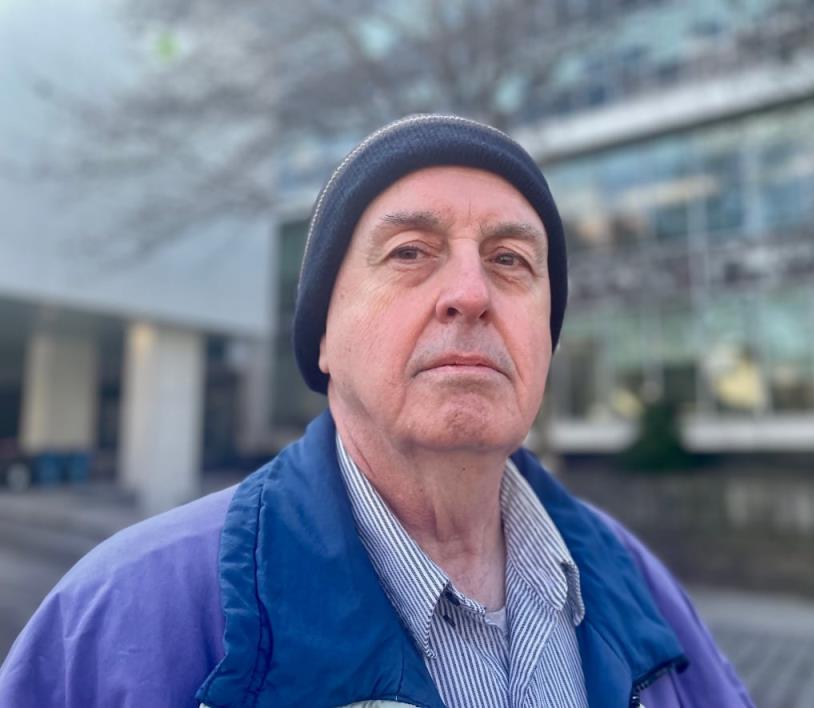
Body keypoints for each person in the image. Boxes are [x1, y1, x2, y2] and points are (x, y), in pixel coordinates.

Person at [0, 115, 753, 707]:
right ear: (323, 335)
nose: (471, 292)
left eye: (511, 260)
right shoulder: (119, 617)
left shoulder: (634, 582)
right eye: (410, 253)